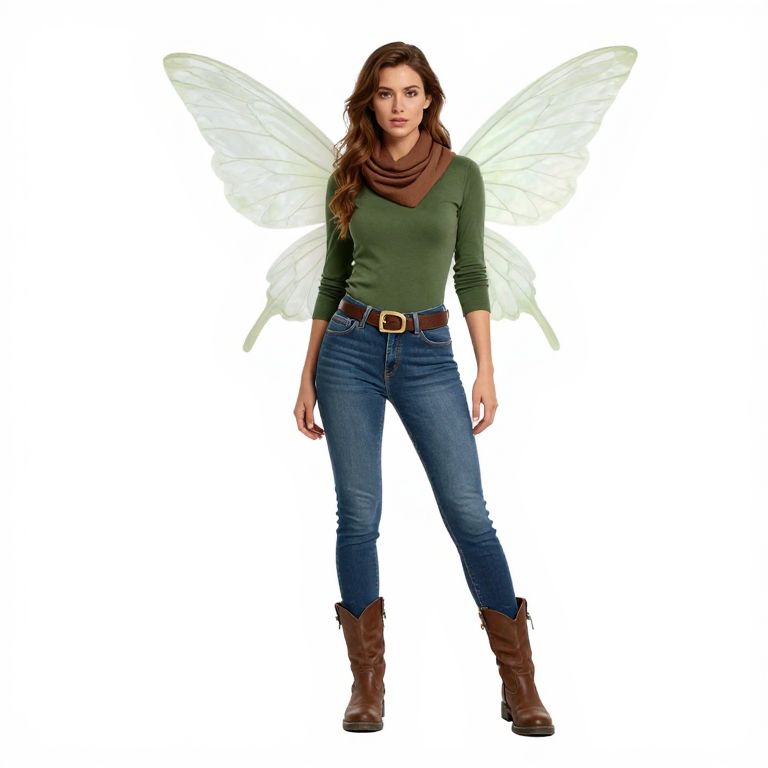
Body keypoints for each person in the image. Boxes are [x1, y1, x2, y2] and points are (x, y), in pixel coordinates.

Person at [293, 42, 554, 737]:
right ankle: (367, 689)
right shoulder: (348, 174)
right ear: (370, 101)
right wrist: (306, 374)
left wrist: (486, 368)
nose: (398, 105)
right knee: (358, 514)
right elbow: (331, 278)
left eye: (411, 92)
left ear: (429, 98)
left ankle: (520, 685)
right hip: (348, 349)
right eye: (385, 93)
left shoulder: (461, 176)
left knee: (469, 514)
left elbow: (471, 272)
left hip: (430, 355)